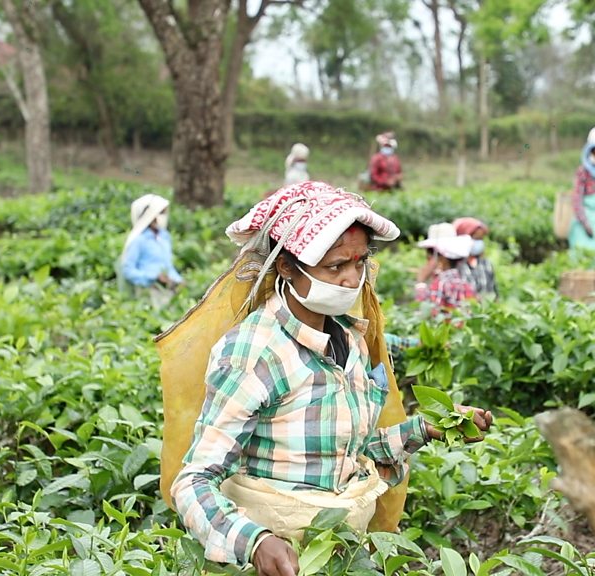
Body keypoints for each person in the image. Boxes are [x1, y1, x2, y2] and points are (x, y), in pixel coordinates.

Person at [170, 182, 493, 573]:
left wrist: (429, 428)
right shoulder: (256, 351)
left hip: (341, 552)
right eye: (335, 266)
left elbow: (347, 454)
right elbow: (194, 481)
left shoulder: (350, 339)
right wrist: (253, 541)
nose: (350, 279)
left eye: (359, 263)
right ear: (287, 266)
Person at [120, 193, 183, 308]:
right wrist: (153, 277)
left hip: (169, 292)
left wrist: (178, 280)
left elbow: (167, 265)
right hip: (149, 295)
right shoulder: (138, 240)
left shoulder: (164, 237)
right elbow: (128, 270)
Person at [415, 232, 477, 315]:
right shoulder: (465, 280)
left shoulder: (441, 283)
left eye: (430, 257)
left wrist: (420, 283)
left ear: (442, 259)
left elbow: (430, 315)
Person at [453, 217, 497, 299]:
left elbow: (494, 293)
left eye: (481, 239)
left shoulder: (486, 264)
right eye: (476, 238)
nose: (479, 243)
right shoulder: (455, 265)